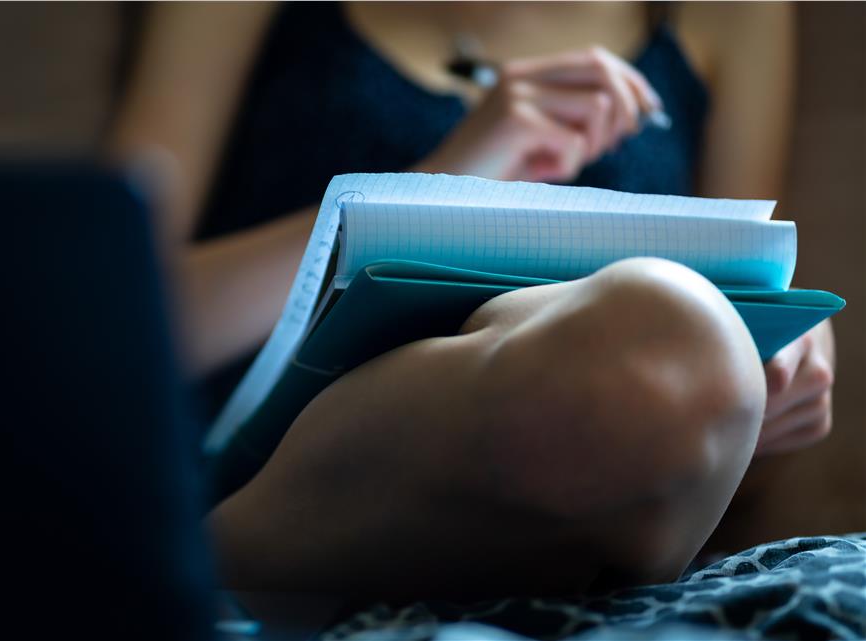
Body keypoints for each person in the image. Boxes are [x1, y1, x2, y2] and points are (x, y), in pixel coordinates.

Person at [112, 2, 835, 598]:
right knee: (658, 340)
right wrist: (446, 175)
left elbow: (750, 291)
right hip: (267, 469)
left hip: (627, 452)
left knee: (673, 346)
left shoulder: (729, 13)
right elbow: (100, 311)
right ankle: (216, 564)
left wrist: (783, 362)